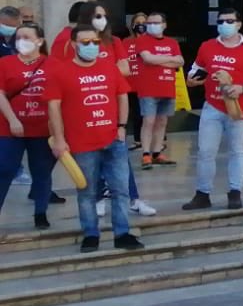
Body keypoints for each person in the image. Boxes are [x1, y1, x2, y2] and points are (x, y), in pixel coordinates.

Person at [44, 23, 140, 251]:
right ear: (74, 44)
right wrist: (59, 139)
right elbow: (53, 108)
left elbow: (122, 96)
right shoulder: (60, 71)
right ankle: (90, 233)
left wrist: (122, 126)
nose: (91, 46)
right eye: (85, 42)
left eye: (95, 42)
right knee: (86, 192)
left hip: (113, 139)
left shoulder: (109, 67)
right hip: (82, 143)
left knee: (121, 190)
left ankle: (122, 233)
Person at [183, 10, 243, 212]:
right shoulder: (207, 46)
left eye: (229, 21)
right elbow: (196, 68)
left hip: (238, 108)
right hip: (212, 105)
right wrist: (193, 78)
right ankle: (203, 194)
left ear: (239, 24)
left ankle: (235, 192)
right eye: (221, 21)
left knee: (237, 151)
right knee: (205, 152)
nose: (224, 24)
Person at [0, 24, 55, 229]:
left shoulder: (52, 64)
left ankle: (40, 213)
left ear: (39, 41)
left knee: (42, 171)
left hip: (42, 127)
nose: (22, 40)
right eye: (18, 37)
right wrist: (13, 119)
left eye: (27, 37)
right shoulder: (5, 63)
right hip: (9, 127)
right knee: (4, 169)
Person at [131, 12, 184, 166]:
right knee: (148, 120)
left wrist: (158, 61)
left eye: (156, 23)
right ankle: (146, 153)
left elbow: (180, 61)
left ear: (164, 25)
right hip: (148, 88)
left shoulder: (172, 43)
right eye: (149, 23)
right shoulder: (143, 41)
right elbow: (148, 59)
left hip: (167, 87)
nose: (152, 26)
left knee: (162, 121)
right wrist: (170, 59)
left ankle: (157, 152)